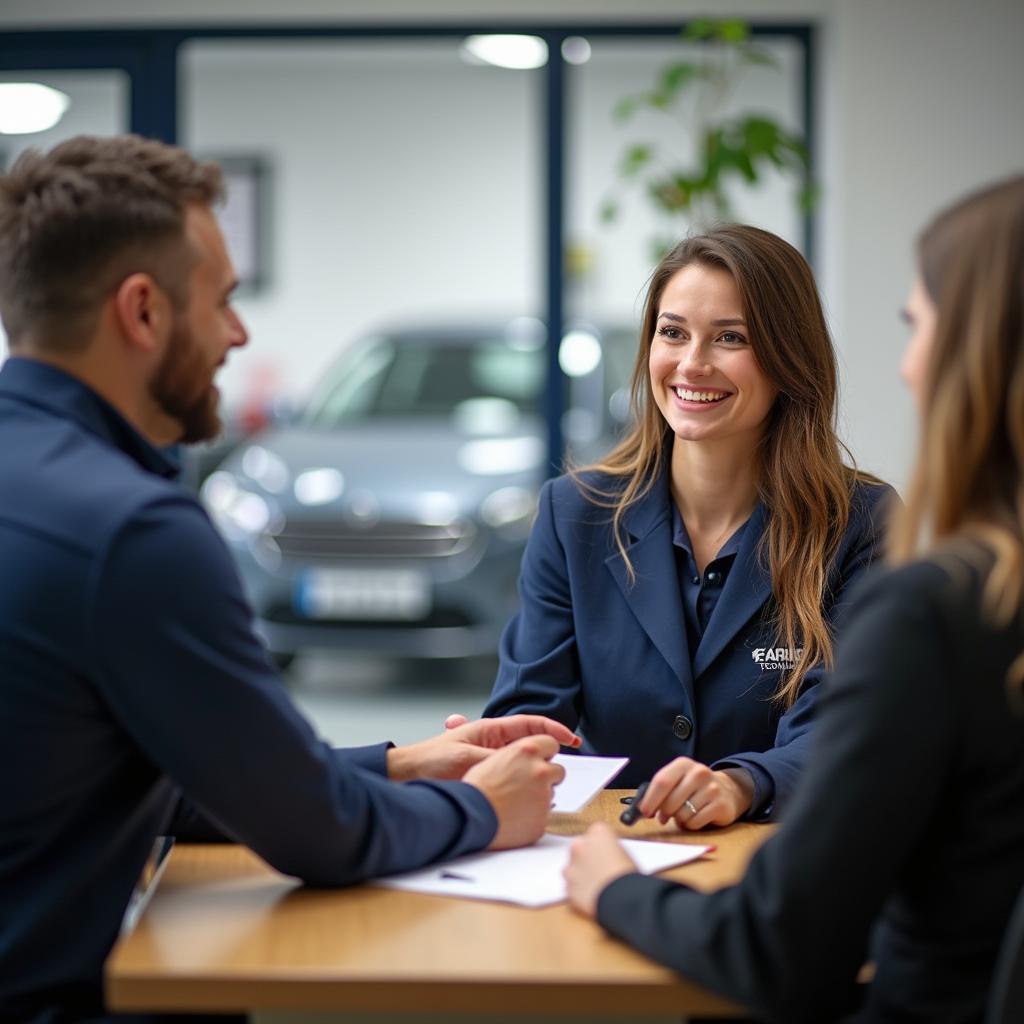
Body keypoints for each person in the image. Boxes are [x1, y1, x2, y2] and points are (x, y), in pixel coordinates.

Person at [0, 134, 580, 1024]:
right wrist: (476, 808)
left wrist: (396, 764)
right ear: (142, 311)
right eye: (224, 301)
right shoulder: (134, 530)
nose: (238, 334)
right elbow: (319, 835)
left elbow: (160, 773)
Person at [563, 176, 1024, 1023]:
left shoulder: (930, 598)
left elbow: (781, 949)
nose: (907, 363)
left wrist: (621, 891)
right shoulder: (576, 511)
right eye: (672, 332)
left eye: (919, 328)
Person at [457, 224, 893, 827]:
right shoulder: (574, 514)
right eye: (673, 333)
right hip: (615, 856)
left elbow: (843, 725)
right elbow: (533, 711)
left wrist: (743, 784)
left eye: (730, 338)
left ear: (790, 358)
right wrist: (503, 748)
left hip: (781, 860)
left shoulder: (858, 522)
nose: (692, 364)